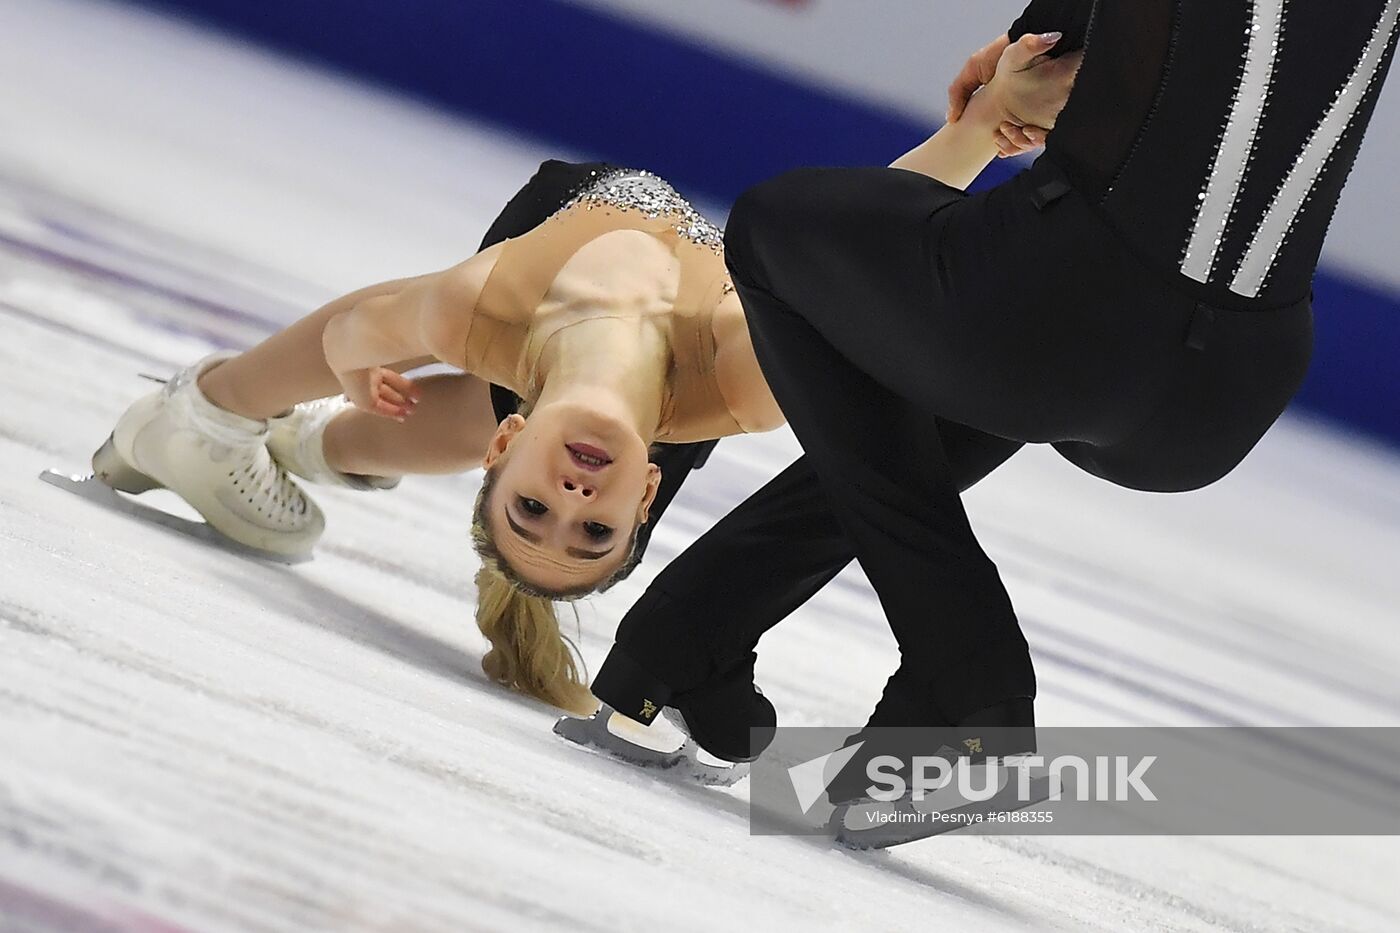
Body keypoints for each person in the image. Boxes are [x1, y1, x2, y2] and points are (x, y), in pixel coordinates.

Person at [90, 43, 1066, 713]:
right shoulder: (736, 384)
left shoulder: (482, 311)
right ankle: (295, 440)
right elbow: (849, 251)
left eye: (533, 513)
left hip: (557, 225)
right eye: (595, 528)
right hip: (661, 358)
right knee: (479, 400)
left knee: (445, 381)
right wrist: (981, 127)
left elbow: (356, 325)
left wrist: (348, 362)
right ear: (642, 492)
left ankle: (234, 423)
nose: (572, 500)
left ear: (512, 464)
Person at [587, 0, 1400, 772]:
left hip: (1073, 314)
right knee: (990, 336)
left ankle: (964, 682)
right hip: (1233, 387)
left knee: (774, 230)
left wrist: (1029, 56)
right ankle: (685, 638)